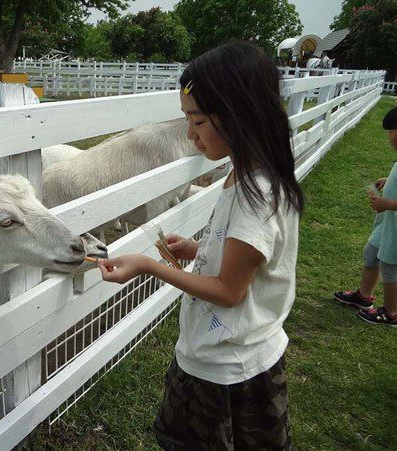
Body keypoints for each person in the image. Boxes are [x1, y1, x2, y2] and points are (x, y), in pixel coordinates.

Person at [96, 41, 304, 449]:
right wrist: (198, 248)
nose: (189, 135)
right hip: (223, 350)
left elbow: (229, 291)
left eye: (197, 121)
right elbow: (243, 254)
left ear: (236, 115)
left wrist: (149, 266)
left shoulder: (254, 196)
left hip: (227, 367)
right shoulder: (246, 175)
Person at [334, 106, 397, 327]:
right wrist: (388, 182)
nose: (389, 136)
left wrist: (388, 203)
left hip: (395, 228)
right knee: (371, 253)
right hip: (387, 223)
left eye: (392, 131)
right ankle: (363, 296)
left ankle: (391, 313)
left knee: (390, 267)